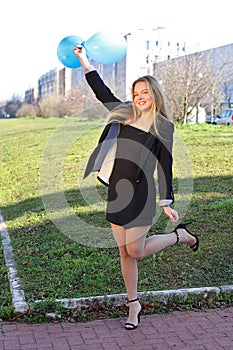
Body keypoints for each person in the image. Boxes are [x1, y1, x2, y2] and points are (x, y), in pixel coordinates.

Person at [74, 46, 199, 330]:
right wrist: (84, 60)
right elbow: (101, 91)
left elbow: (164, 165)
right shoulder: (126, 113)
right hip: (116, 191)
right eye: (136, 93)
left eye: (144, 92)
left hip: (142, 194)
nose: (140, 97)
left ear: (154, 94)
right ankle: (133, 306)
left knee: (137, 251)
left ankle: (180, 236)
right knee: (124, 253)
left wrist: (167, 202)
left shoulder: (163, 127)